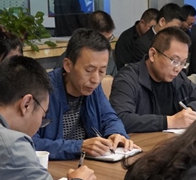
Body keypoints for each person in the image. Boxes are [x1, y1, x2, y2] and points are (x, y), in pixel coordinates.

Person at [33, 29, 136, 160]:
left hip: (86, 164)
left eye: (102, 71)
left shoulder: (93, 88)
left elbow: (109, 117)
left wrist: (116, 133)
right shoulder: (42, 90)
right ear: (68, 65)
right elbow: (29, 142)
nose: (96, 79)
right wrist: (78, 147)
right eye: (89, 70)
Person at [109, 27, 196, 132]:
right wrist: (169, 121)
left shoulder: (179, 78)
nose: (178, 68)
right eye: (175, 61)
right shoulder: (127, 79)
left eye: (183, 63)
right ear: (153, 54)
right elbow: (121, 118)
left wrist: (190, 111)